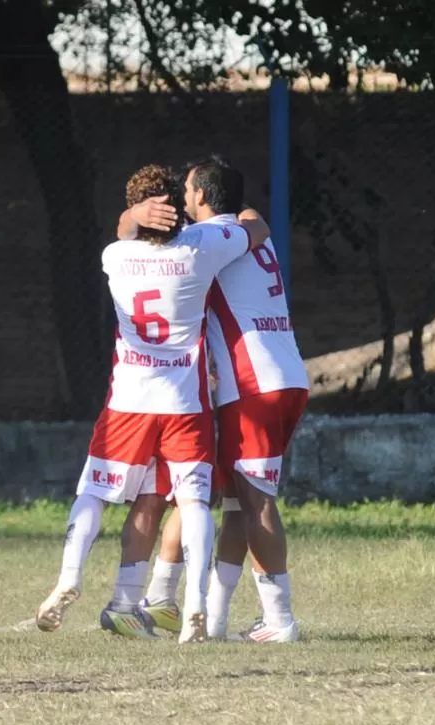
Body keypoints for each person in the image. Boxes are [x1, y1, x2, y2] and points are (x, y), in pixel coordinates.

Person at [36, 163, 270, 644]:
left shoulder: (115, 256)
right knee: (193, 500)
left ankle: (69, 578)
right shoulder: (200, 249)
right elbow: (256, 231)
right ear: (174, 209)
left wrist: (133, 217)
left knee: (94, 493)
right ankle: (195, 606)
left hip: (129, 399)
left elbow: (123, 232)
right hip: (184, 400)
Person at [122, 156, 309, 643]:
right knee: (234, 501)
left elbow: (136, 247)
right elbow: (256, 223)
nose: (182, 201)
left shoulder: (206, 239)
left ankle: (280, 619)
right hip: (282, 376)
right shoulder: (247, 233)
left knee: (256, 501)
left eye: (186, 191)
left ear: (202, 197)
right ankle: (219, 619)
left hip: (252, 384)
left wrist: (136, 219)